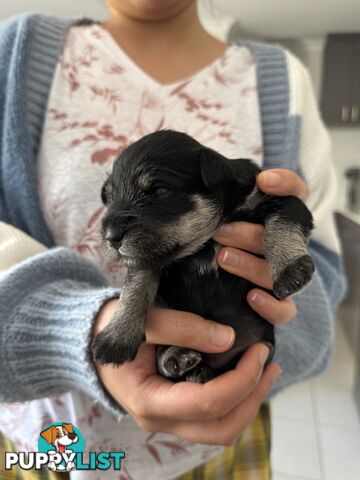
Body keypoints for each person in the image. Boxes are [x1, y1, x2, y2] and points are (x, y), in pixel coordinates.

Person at [0, 1, 346, 479]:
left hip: (223, 442)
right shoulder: (13, 53)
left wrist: (281, 292)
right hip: (53, 445)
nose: (115, 226)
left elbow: (321, 272)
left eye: (157, 193)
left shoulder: (281, 79)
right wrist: (71, 331)